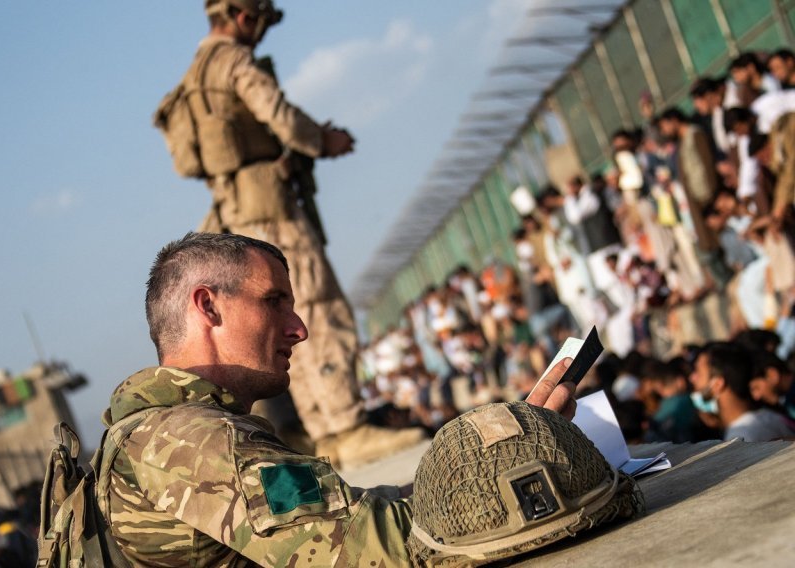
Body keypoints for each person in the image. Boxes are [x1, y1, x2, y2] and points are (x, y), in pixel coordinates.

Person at [96, 232, 578, 565]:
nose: (299, 328)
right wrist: (515, 451)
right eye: (273, 301)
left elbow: (344, 514)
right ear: (208, 306)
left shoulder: (160, 431)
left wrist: (505, 441)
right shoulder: (192, 443)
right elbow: (376, 549)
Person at [173, 0, 415, 466]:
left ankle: (323, 431)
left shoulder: (193, 79)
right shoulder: (233, 61)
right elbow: (279, 114)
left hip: (236, 212)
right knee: (319, 310)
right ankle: (345, 427)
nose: (261, 32)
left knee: (281, 316)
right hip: (272, 210)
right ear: (245, 17)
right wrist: (322, 141)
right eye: (260, 22)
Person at [689, 342, 794, 442]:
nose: (691, 378)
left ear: (718, 384)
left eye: (698, 372)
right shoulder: (770, 416)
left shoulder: (742, 437)